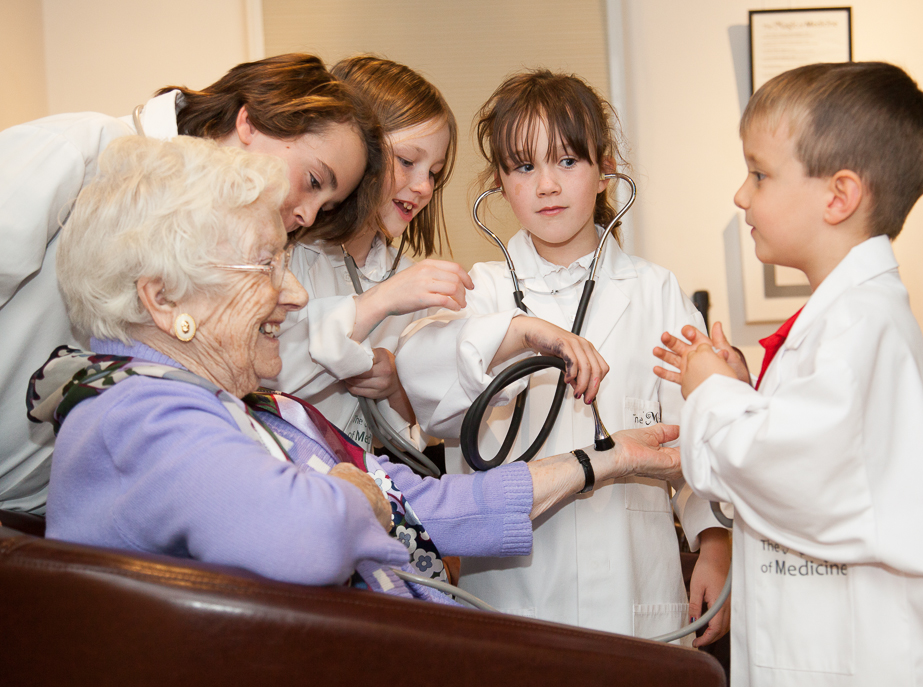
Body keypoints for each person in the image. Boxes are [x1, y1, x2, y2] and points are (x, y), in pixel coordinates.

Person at [31, 134, 683, 600]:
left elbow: (427, 503)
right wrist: (361, 497)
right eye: (265, 265)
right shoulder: (132, 415)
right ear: (163, 297)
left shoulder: (262, 412)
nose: (294, 294)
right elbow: (306, 535)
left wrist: (607, 459)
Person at [653, 62, 923, 687]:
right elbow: (809, 447)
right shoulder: (844, 316)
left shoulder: (862, 321)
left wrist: (711, 390)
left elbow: (794, 472)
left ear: (838, 196)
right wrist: (741, 390)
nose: (741, 195)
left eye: (759, 174)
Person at [395, 69, 730, 642]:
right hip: (514, 597)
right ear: (499, 184)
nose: (546, 185)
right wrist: (522, 332)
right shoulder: (480, 293)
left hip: (636, 594)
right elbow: (423, 380)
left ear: (603, 171)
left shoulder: (656, 292)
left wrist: (715, 542)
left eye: (567, 162)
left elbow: (691, 436)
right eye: (524, 167)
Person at [0, 53, 386, 515]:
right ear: (251, 121)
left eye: (325, 207)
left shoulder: (230, 255)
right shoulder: (81, 152)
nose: (306, 214)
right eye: (313, 180)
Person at [267, 55, 471, 454]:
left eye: (434, 172)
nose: (424, 187)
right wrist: (379, 302)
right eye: (408, 162)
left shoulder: (413, 281)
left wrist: (395, 388)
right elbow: (269, 379)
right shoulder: (286, 255)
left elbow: (426, 431)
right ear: (358, 152)